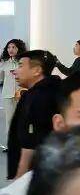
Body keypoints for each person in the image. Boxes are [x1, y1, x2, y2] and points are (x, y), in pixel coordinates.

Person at [8, 50, 61, 180]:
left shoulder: (38, 97)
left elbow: (31, 142)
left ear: (36, 70)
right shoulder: (54, 91)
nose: (15, 71)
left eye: (21, 66)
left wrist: (19, 179)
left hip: (38, 174)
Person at [0, 38, 25, 151]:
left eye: (13, 47)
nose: (11, 49)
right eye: (9, 47)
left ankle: (22, 144)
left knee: (22, 120)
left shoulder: (23, 62)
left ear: (18, 48)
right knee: (9, 121)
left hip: (21, 94)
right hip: (8, 95)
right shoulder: (4, 63)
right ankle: (10, 145)